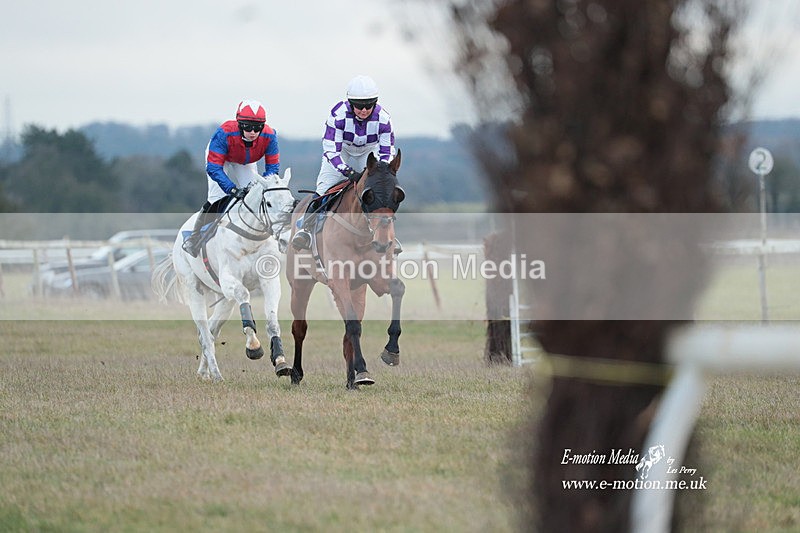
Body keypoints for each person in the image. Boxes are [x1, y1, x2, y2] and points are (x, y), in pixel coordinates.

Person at [291, 75, 397, 251]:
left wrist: (379, 172)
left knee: (382, 192)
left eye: (369, 105)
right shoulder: (337, 115)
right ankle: (305, 230)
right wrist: (348, 172)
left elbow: (387, 152)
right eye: (359, 106)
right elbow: (331, 149)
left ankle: (390, 236)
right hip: (342, 152)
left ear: (375, 102)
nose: (364, 110)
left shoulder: (384, 119)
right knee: (323, 189)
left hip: (369, 153)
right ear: (350, 103)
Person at [182, 99, 280, 257]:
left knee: (255, 195)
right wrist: (232, 189)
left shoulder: (270, 135)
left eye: (258, 127)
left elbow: (272, 169)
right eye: (248, 126)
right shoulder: (224, 132)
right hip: (221, 159)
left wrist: (264, 187)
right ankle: (195, 239)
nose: (253, 132)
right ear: (239, 124)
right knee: (217, 198)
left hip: (245, 161)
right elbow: (214, 168)